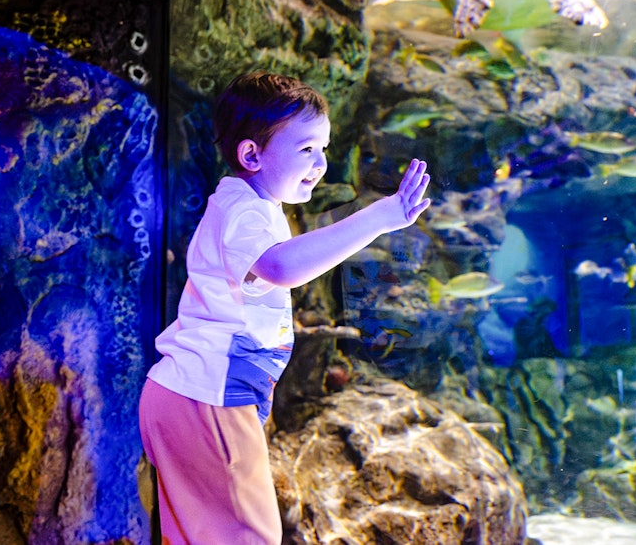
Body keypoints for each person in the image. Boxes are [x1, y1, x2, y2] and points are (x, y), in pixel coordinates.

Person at [138, 72, 431, 543]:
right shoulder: (245, 210)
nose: (321, 164)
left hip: (189, 395)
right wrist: (379, 217)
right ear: (251, 154)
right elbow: (280, 266)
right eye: (306, 149)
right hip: (207, 398)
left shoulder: (249, 203)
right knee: (251, 537)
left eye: (324, 148)